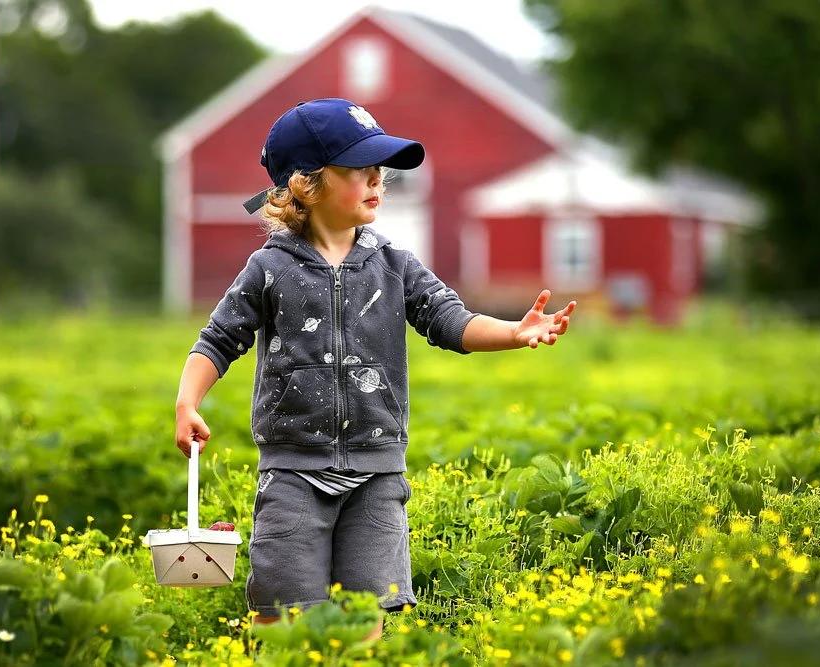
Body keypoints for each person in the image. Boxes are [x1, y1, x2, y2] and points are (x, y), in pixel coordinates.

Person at [174, 98, 576, 640]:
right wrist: (187, 401)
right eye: (358, 171)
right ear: (305, 185)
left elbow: (449, 320)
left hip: (377, 471)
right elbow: (219, 339)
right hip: (293, 471)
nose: (376, 183)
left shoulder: (394, 263)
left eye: (380, 173)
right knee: (283, 619)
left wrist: (513, 331)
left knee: (367, 621)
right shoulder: (269, 267)